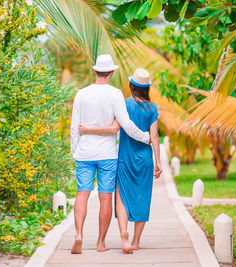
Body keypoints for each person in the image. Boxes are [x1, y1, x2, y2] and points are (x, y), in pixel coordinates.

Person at [70, 55, 151, 254]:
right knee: (105, 198)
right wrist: (145, 137)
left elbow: (74, 128)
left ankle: (78, 234)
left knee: (82, 194)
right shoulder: (115, 94)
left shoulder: (82, 94)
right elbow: (126, 124)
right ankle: (100, 243)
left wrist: (75, 151)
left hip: (84, 153)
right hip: (107, 154)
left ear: (95, 71)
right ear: (112, 73)